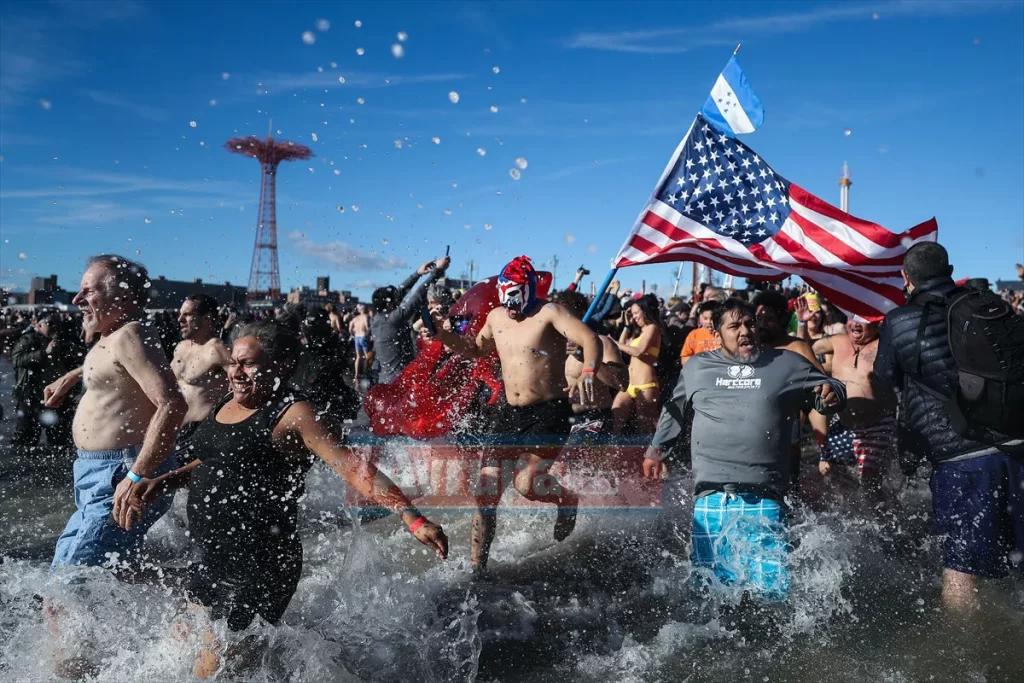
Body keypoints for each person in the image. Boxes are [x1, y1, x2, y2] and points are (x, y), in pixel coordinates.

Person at [137, 320, 447, 678]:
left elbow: (353, 468)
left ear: (281, 364)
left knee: (214, 671)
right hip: (211, 555)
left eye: (248, 363)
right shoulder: (227, 401)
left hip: (260, 562)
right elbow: (215, 461)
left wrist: (414, 519)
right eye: (234, 362)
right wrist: (165, 481)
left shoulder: (294, 413)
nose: (236, 372)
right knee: (182, 653)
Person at [643, 299, 846, 599]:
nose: (745, 331)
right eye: (734, 326)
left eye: (750, 323)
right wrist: (656, 450)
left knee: (771, 598)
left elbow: (831, 390)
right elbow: (675, 408)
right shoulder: (698, 367)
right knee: (708, 595)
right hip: (710, 498)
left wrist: (831, 395)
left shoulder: (785, 363)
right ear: (717, 332)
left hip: (762, 497)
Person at [874, 242, 1023, 610]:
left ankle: (964, 661)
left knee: (961, 572)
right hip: (1017, 447)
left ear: (905, 278)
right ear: (951, 269)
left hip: (961, 459)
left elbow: (883, 379)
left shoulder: (899, 320)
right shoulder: (992, 307)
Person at [431, 255, 602, 572]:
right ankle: (476, 571)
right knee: (486, 491)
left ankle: (567, 500)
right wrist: (443, 336)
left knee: (527, 485)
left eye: (515, 301)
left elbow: (589, 338)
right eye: (505, 300)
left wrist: (590, 369)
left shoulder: (549, 312)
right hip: (508, 413)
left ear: (528, 292)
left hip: (549, 413)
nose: (510, 309)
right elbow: (476, 349)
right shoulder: (496, 317)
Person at [42, 255, 188, 570]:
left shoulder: (130, 334)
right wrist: (70, 377)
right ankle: (183, 602)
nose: (76, 299)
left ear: (122, 296)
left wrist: (137, 474)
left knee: (68, 583)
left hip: (120, 473)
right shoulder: (114, 335)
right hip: (98, 474)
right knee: (86, 578)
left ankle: (194, 605)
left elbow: (173, 404)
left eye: (88, 291)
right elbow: (117, 366)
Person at [812, 319, 896, 491]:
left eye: (863, 320)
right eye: (852, 318)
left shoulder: (885, 345)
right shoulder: (838, 341)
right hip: (842, 423)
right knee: (828, 472)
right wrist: (803, 324)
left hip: (876, 425)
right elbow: (806, 349)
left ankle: (887, 516)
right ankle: (848, 513)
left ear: (876, 324)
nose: (855, 324)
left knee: (870, 484)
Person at [370, 255, 450, 384]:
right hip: (400, 382)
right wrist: (438, 270)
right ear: (390, 304)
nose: (398, 299)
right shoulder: (393, 319)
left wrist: (418, 274)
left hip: (384, 380)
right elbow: (418, 296)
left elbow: (398, 294)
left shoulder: (376, 319)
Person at [172, 294, 231, 459]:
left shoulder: (216, 349)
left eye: (188, 314)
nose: (180, 319)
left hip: (198, 433)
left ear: (207, 318)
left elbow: (244, 384)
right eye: (180, 314)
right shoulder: (180, 347)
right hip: (171, 431)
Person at [613, 295, 662, 434]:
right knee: (616, 412)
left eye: (636, 313)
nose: (634, 317)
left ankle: (656, 452)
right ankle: (614, 449)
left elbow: (638, 351)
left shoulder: (652, 328)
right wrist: (627, 326)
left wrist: (615, 343)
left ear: (645, 311)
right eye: (632, 314)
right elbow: (621, 347)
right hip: (630, 385)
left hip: (646, 384)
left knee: (645, 425)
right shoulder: (640, 332)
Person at [11, 310, 57, 447]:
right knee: (25, 438)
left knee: (57, 439)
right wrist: (44, 352)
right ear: (38, 325)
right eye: (50, 323)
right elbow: (17, 359)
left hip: (51, 396)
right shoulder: (28, 339)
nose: (54, 327)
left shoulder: (59, 341)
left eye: (57, 323)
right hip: (29, 395)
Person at [680, 301, 721, 366]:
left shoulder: (724, 334)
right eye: (705, 318)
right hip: (699, 372)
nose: (709, 322)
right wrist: (702, 360)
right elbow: (684, 360)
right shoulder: (694, 335)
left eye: (712, 319)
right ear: (700, 317)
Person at [348, 303, 372, 387]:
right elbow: (367, 326)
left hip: (357, 337)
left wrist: (353, 334)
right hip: (363, 336)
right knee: (367, 356)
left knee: (358, 357)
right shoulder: (366, 316)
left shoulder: (355, 318)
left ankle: (356, 374)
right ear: (364, 309)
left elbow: (350, 329)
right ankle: (368, 372)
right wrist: (370, 335)